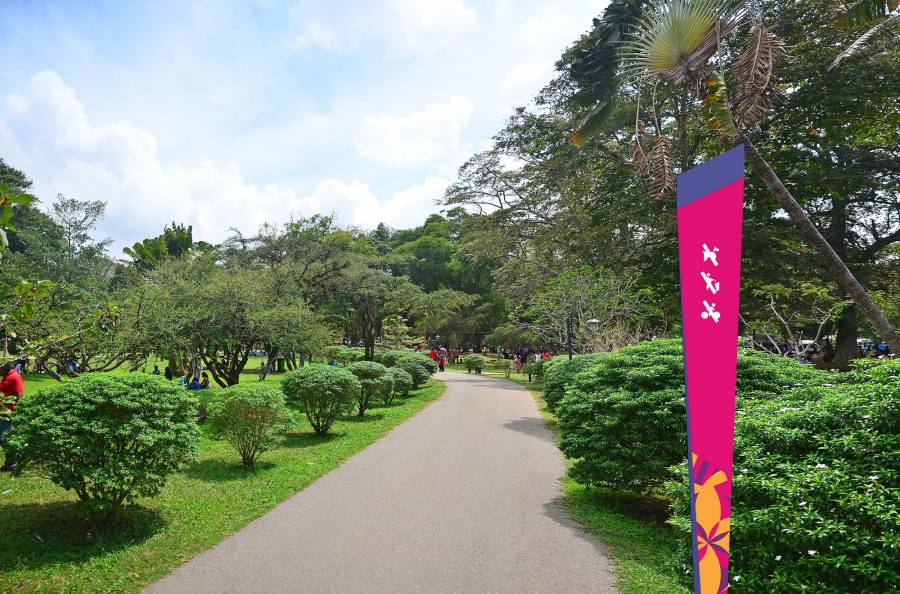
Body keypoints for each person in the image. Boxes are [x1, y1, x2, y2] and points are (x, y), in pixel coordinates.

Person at [1, 362, 24, 472]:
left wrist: (17, 411)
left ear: (4, 368)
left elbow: (19, 394)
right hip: (2, 412)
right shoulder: (6, 375)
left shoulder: (15, 376)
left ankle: (11, 462)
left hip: (9, 413)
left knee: (5, 439)